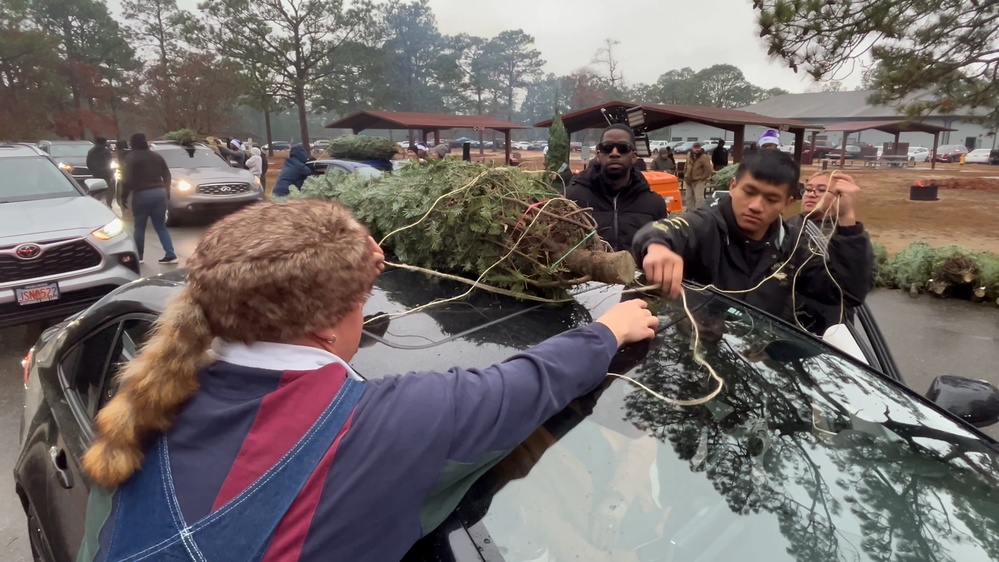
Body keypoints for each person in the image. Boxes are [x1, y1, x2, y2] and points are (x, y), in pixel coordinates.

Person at [76, 199, 659, 562]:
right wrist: (610, 329)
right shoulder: (395, 423)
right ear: (327, 325)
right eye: (363, 300)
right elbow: (531, 382)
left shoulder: (149, 409)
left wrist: (345, 261)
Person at [632, 149, 874, 331]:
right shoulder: (707, 225)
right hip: (690, 359)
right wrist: (657, 247)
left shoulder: (791, 247)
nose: (756, 206)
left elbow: (846, 293)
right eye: (749, 192)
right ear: (733, 186)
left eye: (771, 199)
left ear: (787, 203)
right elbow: (663, 229)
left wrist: (847, 220)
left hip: (755, 368)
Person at [566, 124, 668, 252]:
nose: (614, 153)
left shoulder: (654, 204)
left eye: (623, 148)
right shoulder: (572, 197)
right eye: (607, 147)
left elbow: (661, 251)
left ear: (634, 157)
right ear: (598, 155)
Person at [120, 133, 177, 265]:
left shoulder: (131, 158)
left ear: (132, 143)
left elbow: (126, 179)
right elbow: (167, 174)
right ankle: (171, 254)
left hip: (142, 194)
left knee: (140, 227)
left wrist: (124, 195)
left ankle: (139, 257)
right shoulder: (156, 156)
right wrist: (167, 190)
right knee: (161, 226)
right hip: (159, 192)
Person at [682, 142, 713, 210]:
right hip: (689, 181)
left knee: (699, 198)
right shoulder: (689, 157)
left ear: (700, 148)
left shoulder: (704, 157)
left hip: (699, 180)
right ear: (692, 148)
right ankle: (690, 212)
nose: (697, 149)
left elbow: (708, 169)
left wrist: (703, 178)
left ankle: (699, 212)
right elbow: (685, 167)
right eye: (695, 148)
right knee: (688, 197)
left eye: (698, 148)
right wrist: (685, 175)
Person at [86, 136, 114, 207]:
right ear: (104, 143)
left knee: (97, 189)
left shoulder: (91, 151)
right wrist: (110, 172)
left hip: (96, 173)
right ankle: (109, 204)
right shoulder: (106, 151)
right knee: (110, 189)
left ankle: (97, 204)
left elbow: (88, 163)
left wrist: (92, 171)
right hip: (106, 173)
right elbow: (109, 161)